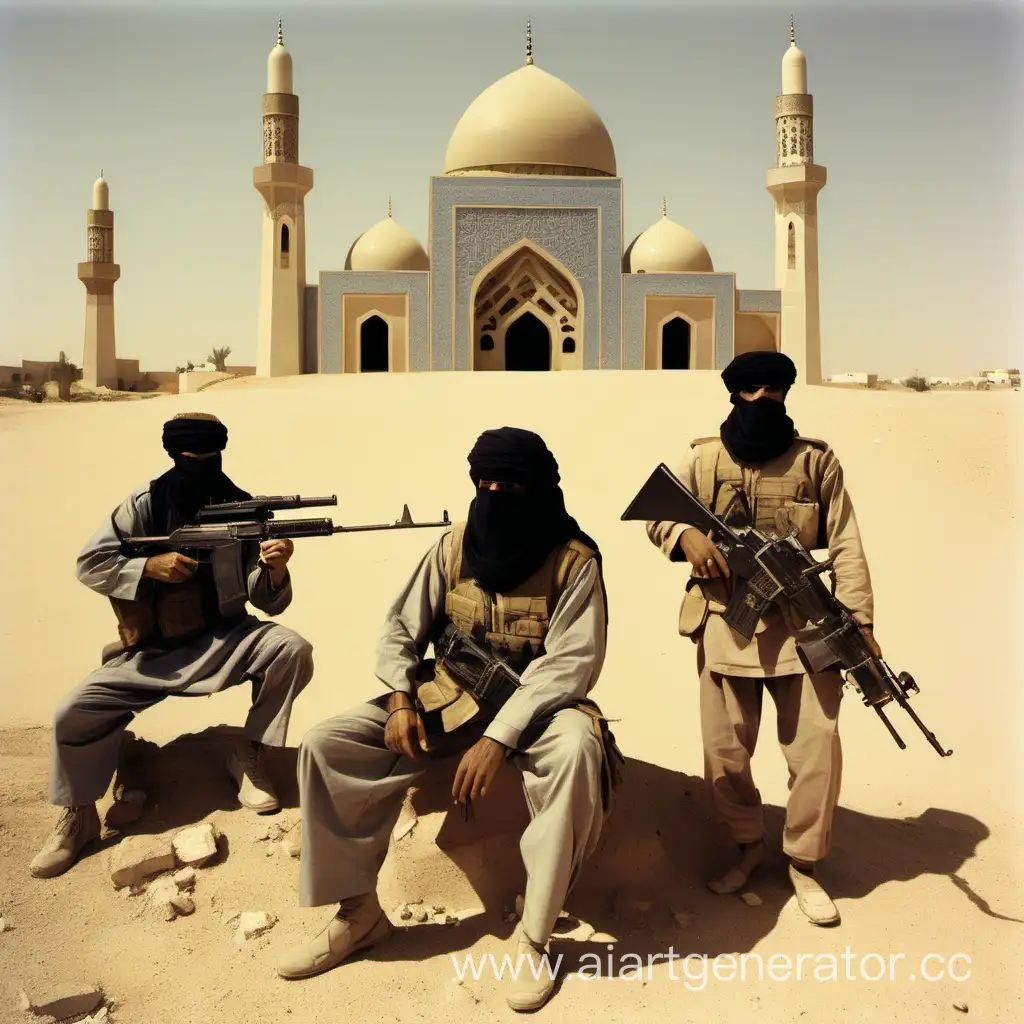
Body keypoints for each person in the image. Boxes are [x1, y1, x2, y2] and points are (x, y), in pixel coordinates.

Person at [276, 427, 618, 1012]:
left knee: (578, 752)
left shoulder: (573, 560)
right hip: (450, 695)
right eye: (482, 483)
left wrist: (497, 737)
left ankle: (535, 939)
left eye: (507, 484)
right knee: (326, 744)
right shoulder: (455, 545)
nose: (492, 494)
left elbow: (570, 666)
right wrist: (401, 699)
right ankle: (358, 915)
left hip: (537, 710)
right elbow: (401, 629)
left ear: (538, 487)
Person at [30, 412, 314, 879]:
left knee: (291, 648)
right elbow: (90, 563)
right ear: (174, 456)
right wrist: (148, 567)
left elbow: (267, 602)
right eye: (190, 459)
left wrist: (275, 569)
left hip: (227, 639)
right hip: (153, 654)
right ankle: (80, 816)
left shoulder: (242, 507)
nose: (201, 467)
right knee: (73, 711)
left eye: (210, 458)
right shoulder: (142, 506)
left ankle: (250, 755)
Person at [645, 351, 876, 926]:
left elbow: (845, 541)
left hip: (804, 631)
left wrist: (861, 620)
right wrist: (683, 535)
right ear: (733, 394)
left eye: (773, 390)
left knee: (816, 751)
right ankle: (748, 846)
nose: (761, 400)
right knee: (725, 752)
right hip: (726, 624)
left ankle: (803, 862)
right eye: (750, 390)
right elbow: (654, 512)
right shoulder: (702, 458)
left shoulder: (815, 462)